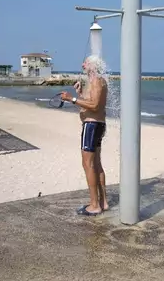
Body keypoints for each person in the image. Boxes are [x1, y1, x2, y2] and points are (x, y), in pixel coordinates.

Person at [61, 55, 108, 216]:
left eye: (86, 62)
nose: (83, 64)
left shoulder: (95, 80)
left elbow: (94, 106)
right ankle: (103, 202)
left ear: (93, 66)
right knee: (96, 163)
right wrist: (79, 94)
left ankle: (94, 205)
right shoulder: (99, 81)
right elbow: (90, 104)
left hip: (91, 126)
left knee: (88, 165)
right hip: (98, 124)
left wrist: (71, 99)